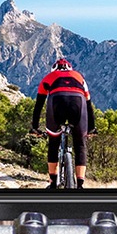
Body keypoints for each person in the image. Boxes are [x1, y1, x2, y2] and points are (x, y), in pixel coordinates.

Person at [31, 57, 96, 188]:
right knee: (80, 144)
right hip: (78, 103)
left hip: (56, 102)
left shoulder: (48, 77)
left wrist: (35, 127)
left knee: (53, 143)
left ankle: (53, 183)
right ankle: (80, 184)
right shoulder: (79, 77)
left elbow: (38, 105)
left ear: (54, 68)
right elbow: (89, 104)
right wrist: (92, 128)